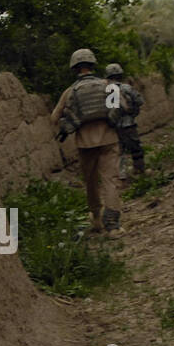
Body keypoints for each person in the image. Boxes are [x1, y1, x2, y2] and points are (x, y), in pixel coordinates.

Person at [51, 48, 123, 235]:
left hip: (85, 143)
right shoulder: (109, 85)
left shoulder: (70, 92)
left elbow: (54, 118)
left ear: (75, 68)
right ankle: (113, 224)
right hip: (109, 138)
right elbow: (121, 107)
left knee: (91, 182)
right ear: (93, 65)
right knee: (111, 180)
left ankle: (97, 219)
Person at [104, 63, 146, 180]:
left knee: (119, 151)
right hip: (129, 125)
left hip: (114, 126)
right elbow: (140, 101)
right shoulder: (127, 88)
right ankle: (139, 171)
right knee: (135, 148)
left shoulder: (106, 90)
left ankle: (121, 175)